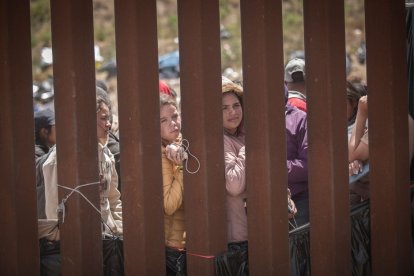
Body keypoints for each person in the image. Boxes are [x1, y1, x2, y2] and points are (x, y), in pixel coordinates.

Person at [220, 77, 297, 272]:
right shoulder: (222, 140)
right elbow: (234, 184)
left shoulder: (243, 135)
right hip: (239, 239)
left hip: (258, 232)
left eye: (236, 105)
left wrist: (283, 195)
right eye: (224, 108)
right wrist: (248, 148)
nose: (233, 112)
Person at [40, 87, 123, 241]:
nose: (109, 124)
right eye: (103, 119)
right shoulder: (60, 158)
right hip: (77, 242)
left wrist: (119, 230)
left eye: (108, 118)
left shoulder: (106, 155)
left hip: (108, 241)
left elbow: (113, 200)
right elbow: (54, 210)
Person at [159, 94, 188, 275]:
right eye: (164, 120)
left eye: (175, 116)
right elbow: (168, 205)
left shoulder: (180, 145)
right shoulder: (162, 155)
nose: (173, 123)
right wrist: (182, 167)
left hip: (185, 244)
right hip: (172, 247)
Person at [284, 85, 309, 227]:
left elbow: (308, 165)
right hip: (258, 201)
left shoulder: (300, 119)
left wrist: (274, 169)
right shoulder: (249, 120)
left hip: (298, 203)